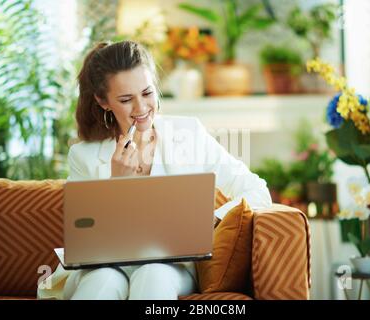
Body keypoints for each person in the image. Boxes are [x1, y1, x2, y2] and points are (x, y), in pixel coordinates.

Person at [37, 40, 272, 300]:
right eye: (126, 99)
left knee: (153, 273)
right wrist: (118, 185)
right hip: (101, 268)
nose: (141, 109)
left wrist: (213, 219)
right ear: (104, 102)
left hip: (170, 268)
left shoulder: (188, 133)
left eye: (147, 93)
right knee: (105, 280)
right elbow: (85, 238)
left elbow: (257, 190)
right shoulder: (84, 155)